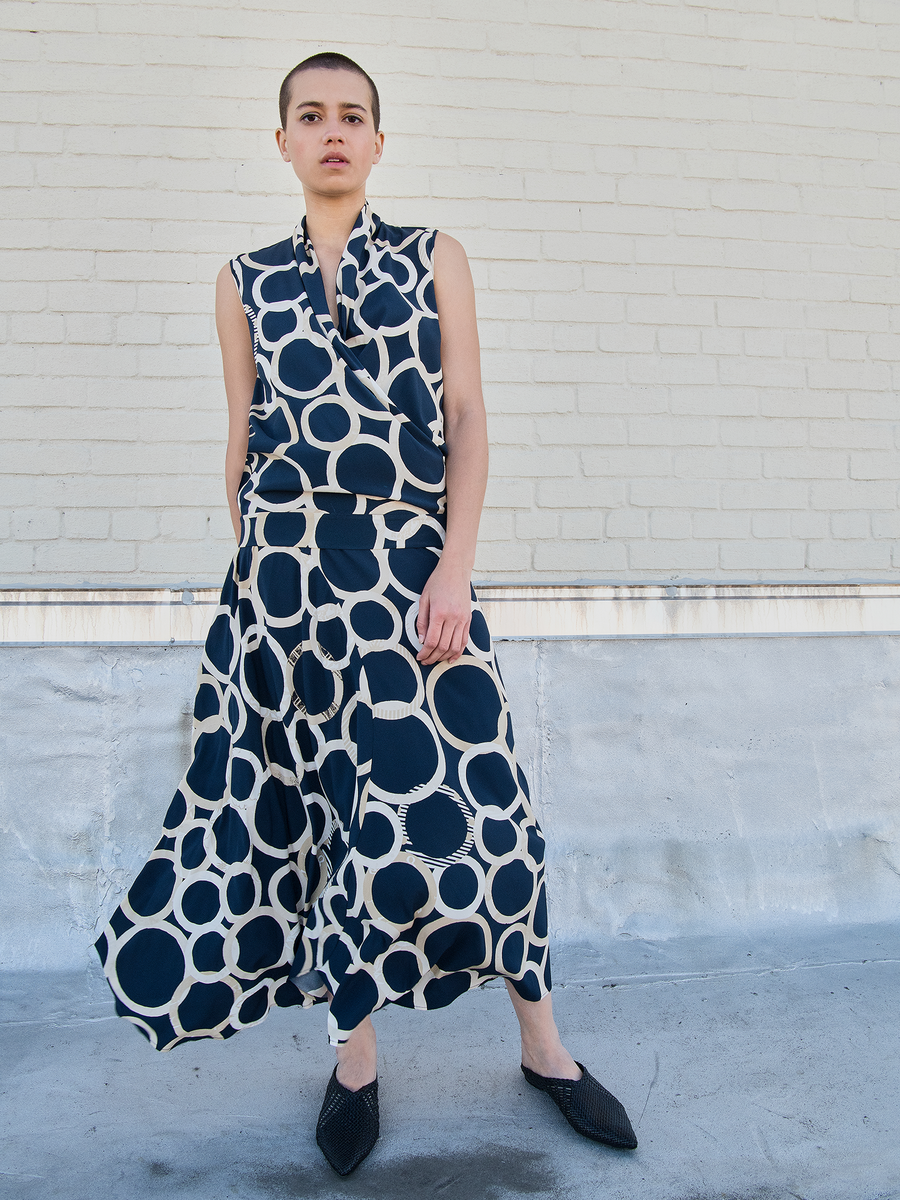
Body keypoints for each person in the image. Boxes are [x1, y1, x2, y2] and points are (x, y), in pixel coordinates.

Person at [95, 51, 637, 1175]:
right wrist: (254, 578)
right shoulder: (242, 280)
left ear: (378, 144)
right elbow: (241, 438)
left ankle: (544, 1047)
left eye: (352, 116)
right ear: (283, 142)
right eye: (310, 116)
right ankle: (355, 1062)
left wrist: (455, 566)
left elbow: (469, 414)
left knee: (483, 813)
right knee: (320, 825)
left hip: (410, 568)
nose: (332, 131)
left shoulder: (434, 256)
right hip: (289, 585)